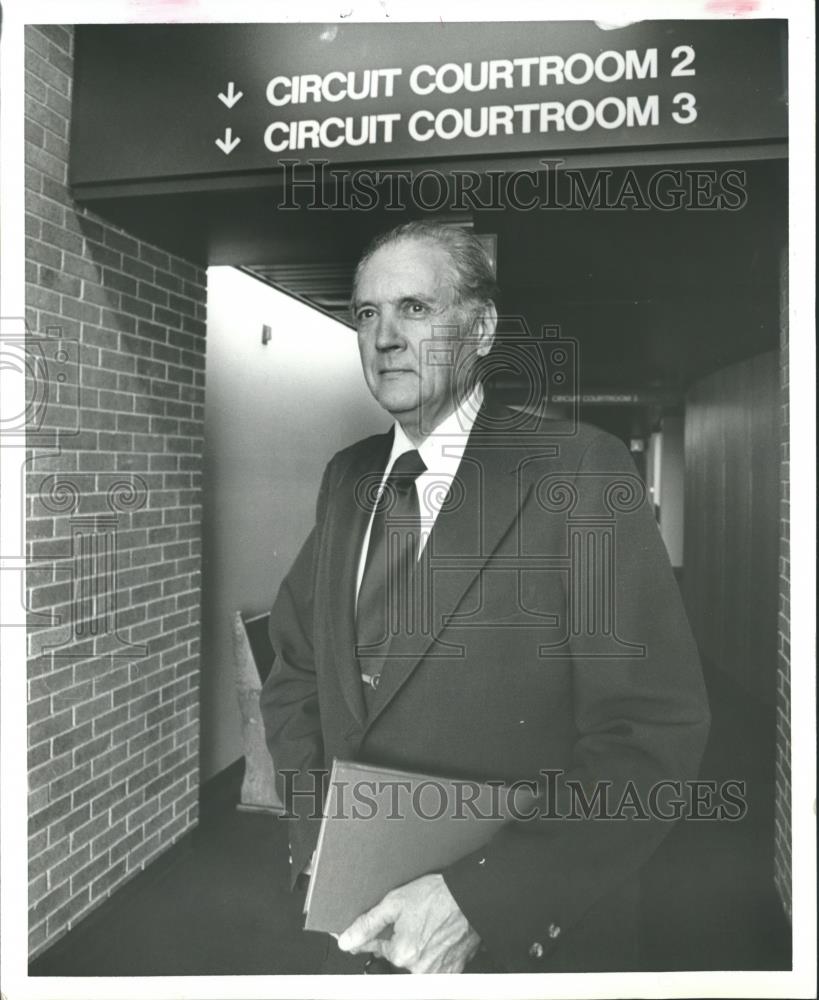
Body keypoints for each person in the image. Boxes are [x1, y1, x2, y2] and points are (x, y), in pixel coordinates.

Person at [260, 220, 710, 974]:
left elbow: (649, 737)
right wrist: (325, 838)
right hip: (362, 922)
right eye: (365, 314)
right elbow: (298, 673)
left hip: (509, 941)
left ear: (481, 328)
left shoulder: (578, 472)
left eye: (415, 308)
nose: (385, 337)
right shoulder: (347, 479)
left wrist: (484, 901)